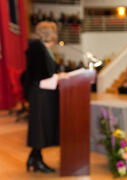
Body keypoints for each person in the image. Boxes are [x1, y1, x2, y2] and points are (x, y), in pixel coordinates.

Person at [23, 21, 61, 173]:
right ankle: (36, 160)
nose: (56, 35)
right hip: (39, 95)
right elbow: (40, 76)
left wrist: (58, 76)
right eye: (54, 31)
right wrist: (59, 77)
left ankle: (35, 158)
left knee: (41, 128)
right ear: (49, 33)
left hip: (45, 94)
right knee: (40, 128)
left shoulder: (44, 49)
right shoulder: (37, 48)